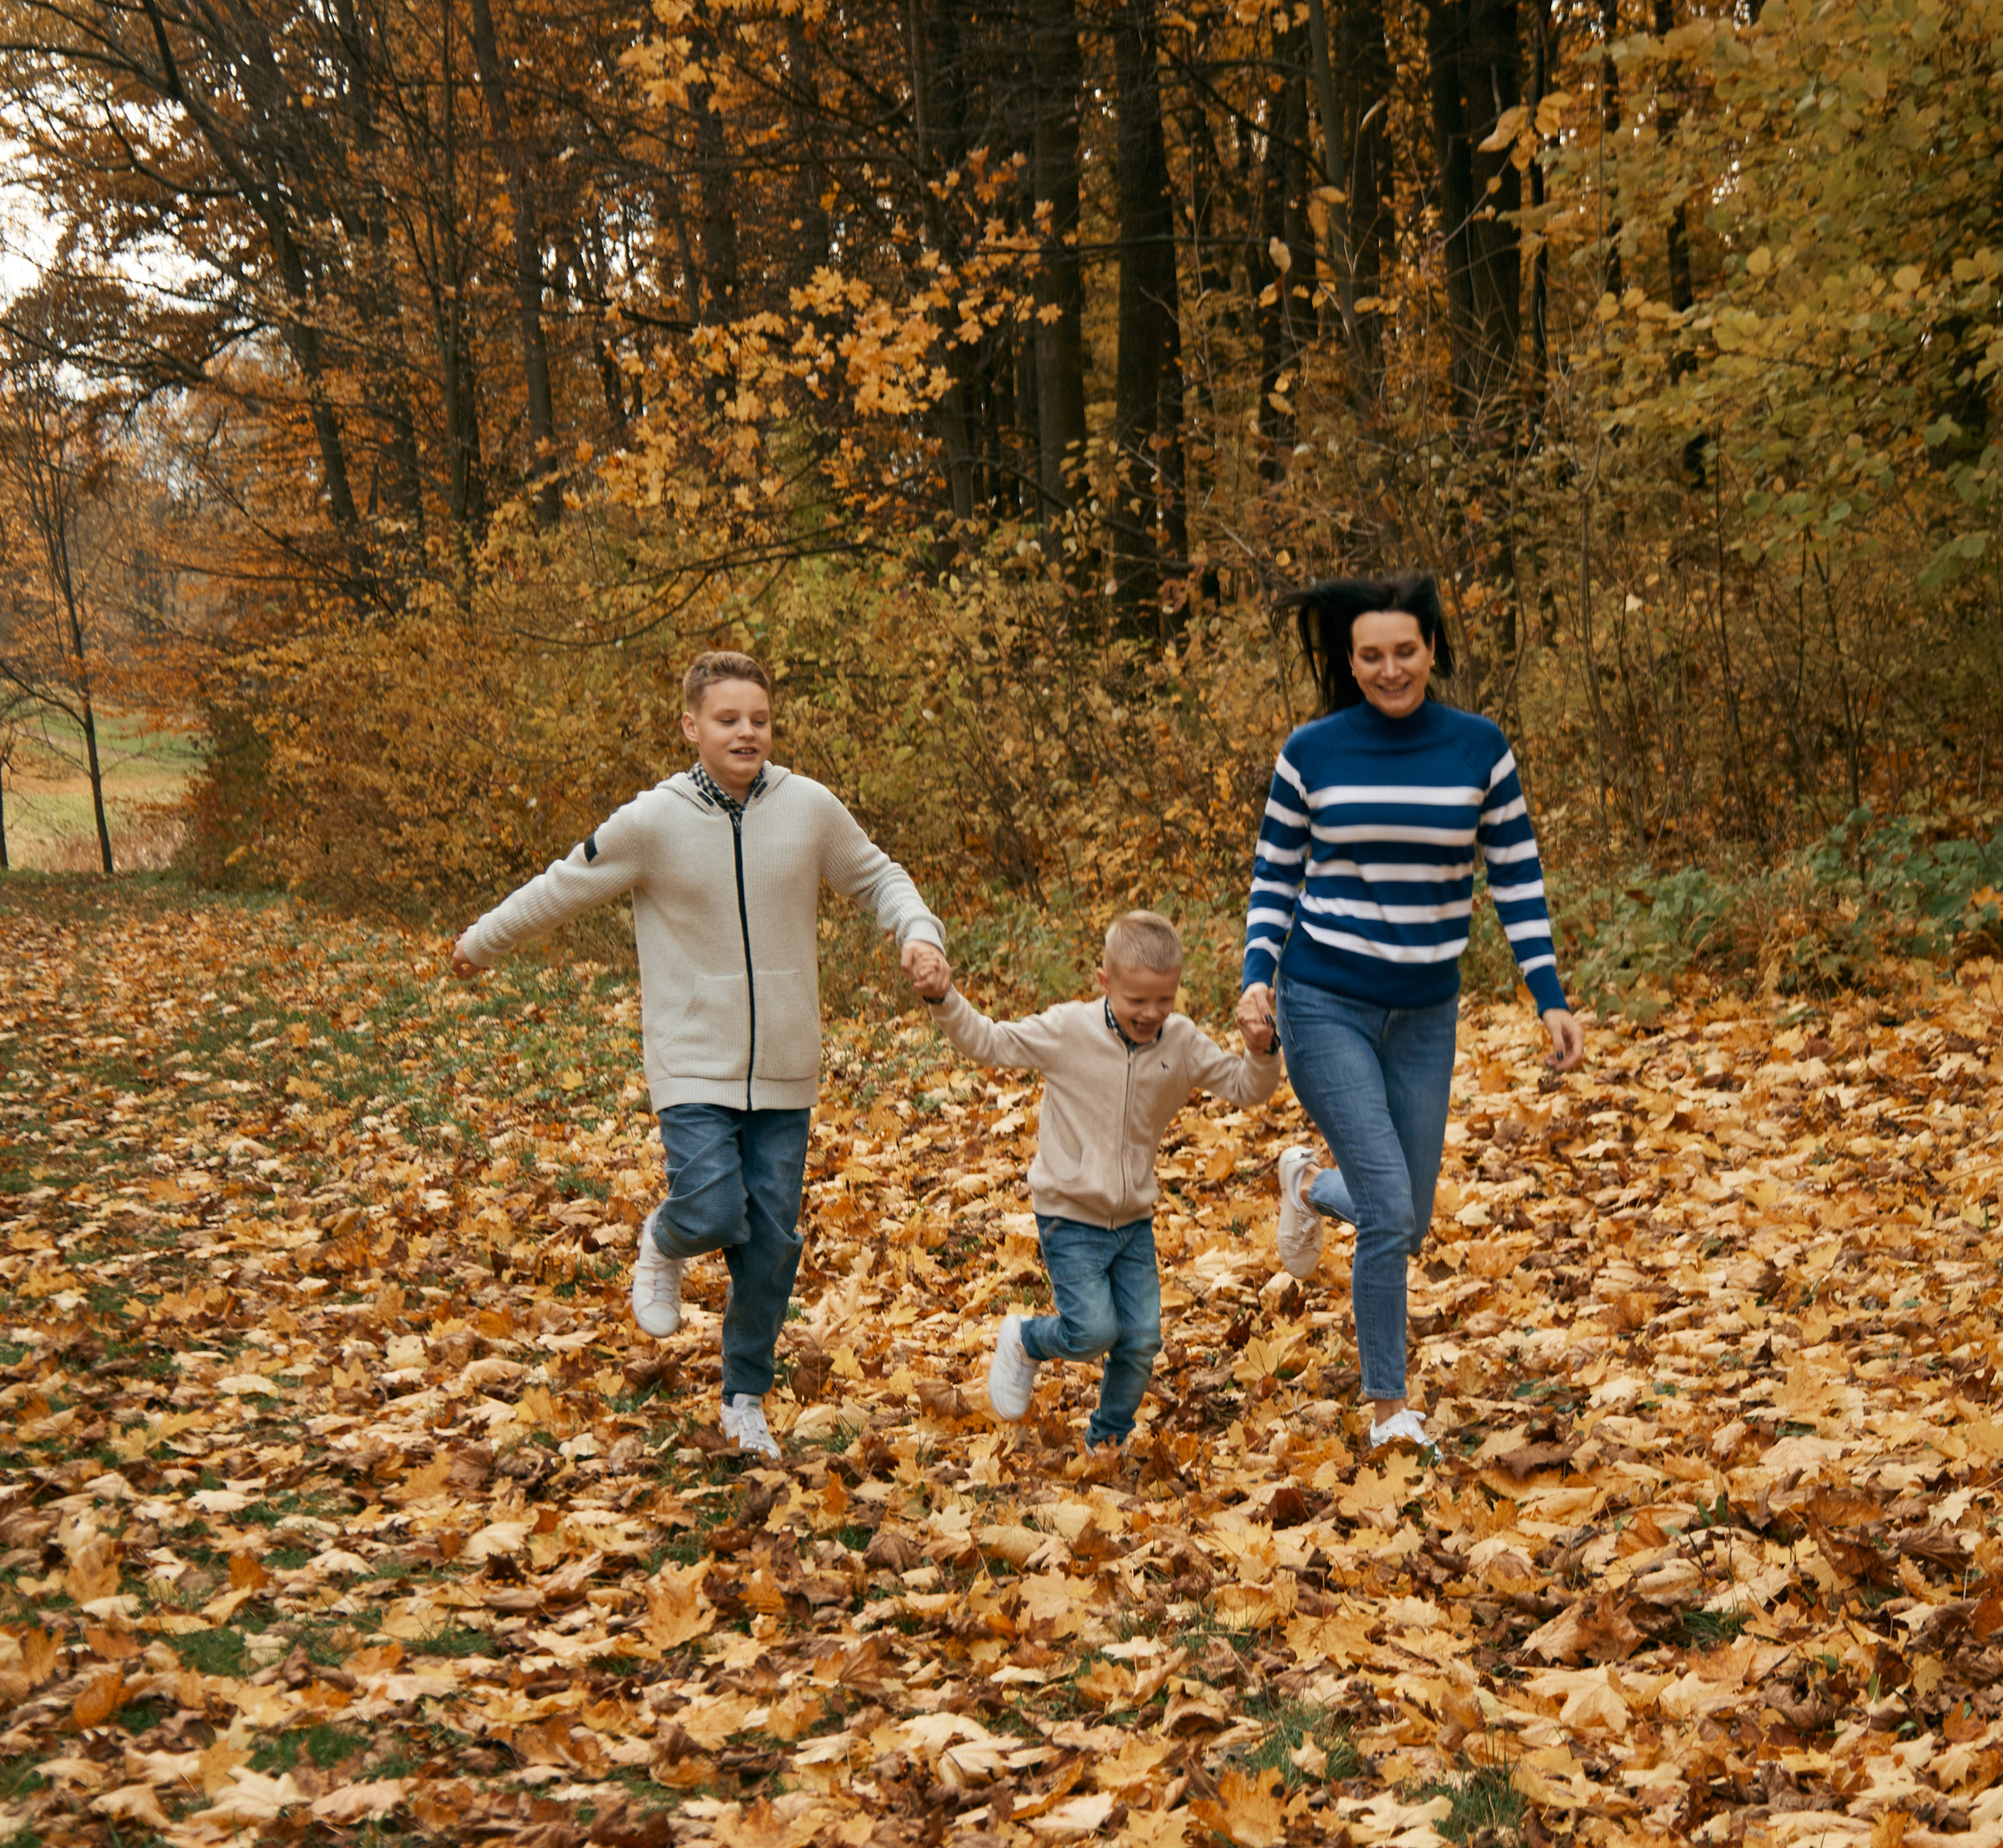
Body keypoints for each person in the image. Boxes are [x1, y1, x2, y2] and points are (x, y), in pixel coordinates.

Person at [451, 651, 949, 1459]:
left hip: (787, 1062)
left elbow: (880, 878)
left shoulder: (810, 808)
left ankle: (744, 1397)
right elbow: (557, 887)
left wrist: (919, 934)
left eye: (759, 718)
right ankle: (665, 1239)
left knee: (771, 1244)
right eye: (728, 719)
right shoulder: (653, 823)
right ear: (692, 726)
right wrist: (480, 942)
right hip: (691, 1057)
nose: (746, 731)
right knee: (714, 1207)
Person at [1234, 570, 1582, 1452]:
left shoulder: (1478, 750)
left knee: (1408, 1214)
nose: (1390, 670)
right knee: (1390, 1211)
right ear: (1349, 663)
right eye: (1371, 656)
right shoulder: (1311, 752)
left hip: (1425, 1014)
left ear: (1432, 650)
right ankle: (1389, 1409)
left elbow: (1516, 875)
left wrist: (1549, 998)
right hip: (1325, 1003)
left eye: (1406, 651)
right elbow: (1276, 874)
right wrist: (1256, 976)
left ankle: (1307, 1186)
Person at [922, 908, 1279, 1452]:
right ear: (1105, 982)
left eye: (1165, 999)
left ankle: (1107, 1439)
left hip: (1132, 1219)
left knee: (1140, 1341)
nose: (1151, 1013)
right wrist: (944, 999)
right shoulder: (1069, 1030)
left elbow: (1244, 1086)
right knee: (1091, 1332)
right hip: (1069, 1214)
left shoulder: (1179, 1040)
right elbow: (988, 1042)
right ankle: (1025, 1339)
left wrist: (1261, 1050)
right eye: (1136, 1000)